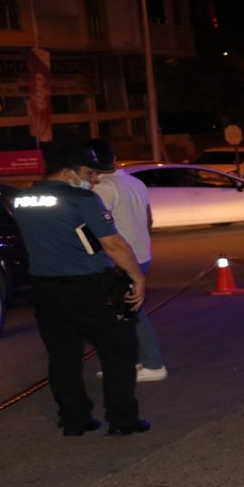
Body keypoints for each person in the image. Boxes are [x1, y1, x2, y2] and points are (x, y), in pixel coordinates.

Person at [11, 141, 150, 436]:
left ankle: (74, 420)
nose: (94, 179)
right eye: (89, 172)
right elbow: (112, 244)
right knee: (119, 350)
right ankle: (122, 419)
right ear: (67, 171)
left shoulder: (22, 199)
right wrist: (137, 277)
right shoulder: (82, 200)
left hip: (45, 292)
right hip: (87, 289)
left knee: (63, 357)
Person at [87, 138, 167, 381]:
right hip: (141, 254)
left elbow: (97, 228)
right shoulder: (135, 182)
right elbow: (149, 219)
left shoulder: (103, 189)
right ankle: (132, 364)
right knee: (126, 314)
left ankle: (153, 365)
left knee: (131, 314)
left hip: (120, 258)